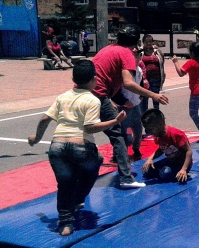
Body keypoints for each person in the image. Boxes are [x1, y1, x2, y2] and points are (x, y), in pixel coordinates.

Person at [28, 60, 127, 236]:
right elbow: (90, 127)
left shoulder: (63, 96)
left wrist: (36, 138)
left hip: (57, 148)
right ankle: (79, 198)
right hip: (81, 147)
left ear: (73, 78)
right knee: (95, 163)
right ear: (94, 80)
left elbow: (45, 119)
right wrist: (115, 121)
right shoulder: (92, 100)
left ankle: (66, 224)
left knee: (65, 184)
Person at [92, 24, 169, 189]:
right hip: (98, 95)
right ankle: (126, 178)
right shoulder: (126, 53)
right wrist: (153, 95)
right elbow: (127, 83)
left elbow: (106, 77)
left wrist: (118, 99)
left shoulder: (107, 50)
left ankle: (79, 182)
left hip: (83, 93)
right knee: (119, 137)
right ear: (135, 43)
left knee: (83, 135)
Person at [141, 109, 192, 183]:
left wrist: (184, 169)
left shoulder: (175, 134)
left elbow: (189, 151)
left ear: (160, 124)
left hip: (182, 163)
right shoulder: (158, 135)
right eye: (146, 129)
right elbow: (161, 149)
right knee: (147, 171)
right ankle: (163, 171)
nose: (148, 132)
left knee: (165, 174)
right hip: (170, 161)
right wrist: (150, 159)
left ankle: (176, 172)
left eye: (150, 129)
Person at [115, 51, 147, 160]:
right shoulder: (123, 72)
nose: (136, 60)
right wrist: (123, 102)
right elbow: (115, 90)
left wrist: (142, 95)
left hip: (136, 104)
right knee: (122, 132)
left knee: (138, 129)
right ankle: (119, 153)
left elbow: (140, 83)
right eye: (133, 57)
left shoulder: (139, 70)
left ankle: (136, 147)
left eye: (138, 57)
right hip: (124, 105)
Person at [140, 34, 166, 114]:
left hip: (156, 79)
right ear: (143, 42)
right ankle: (145, 117)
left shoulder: (157, 52)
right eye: (146, 42)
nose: (148, 44)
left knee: (156, 100)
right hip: (144, 81)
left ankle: (157, 117)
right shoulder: (140, 52)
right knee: (144, 100)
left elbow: (162, 62)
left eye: (150, 42)